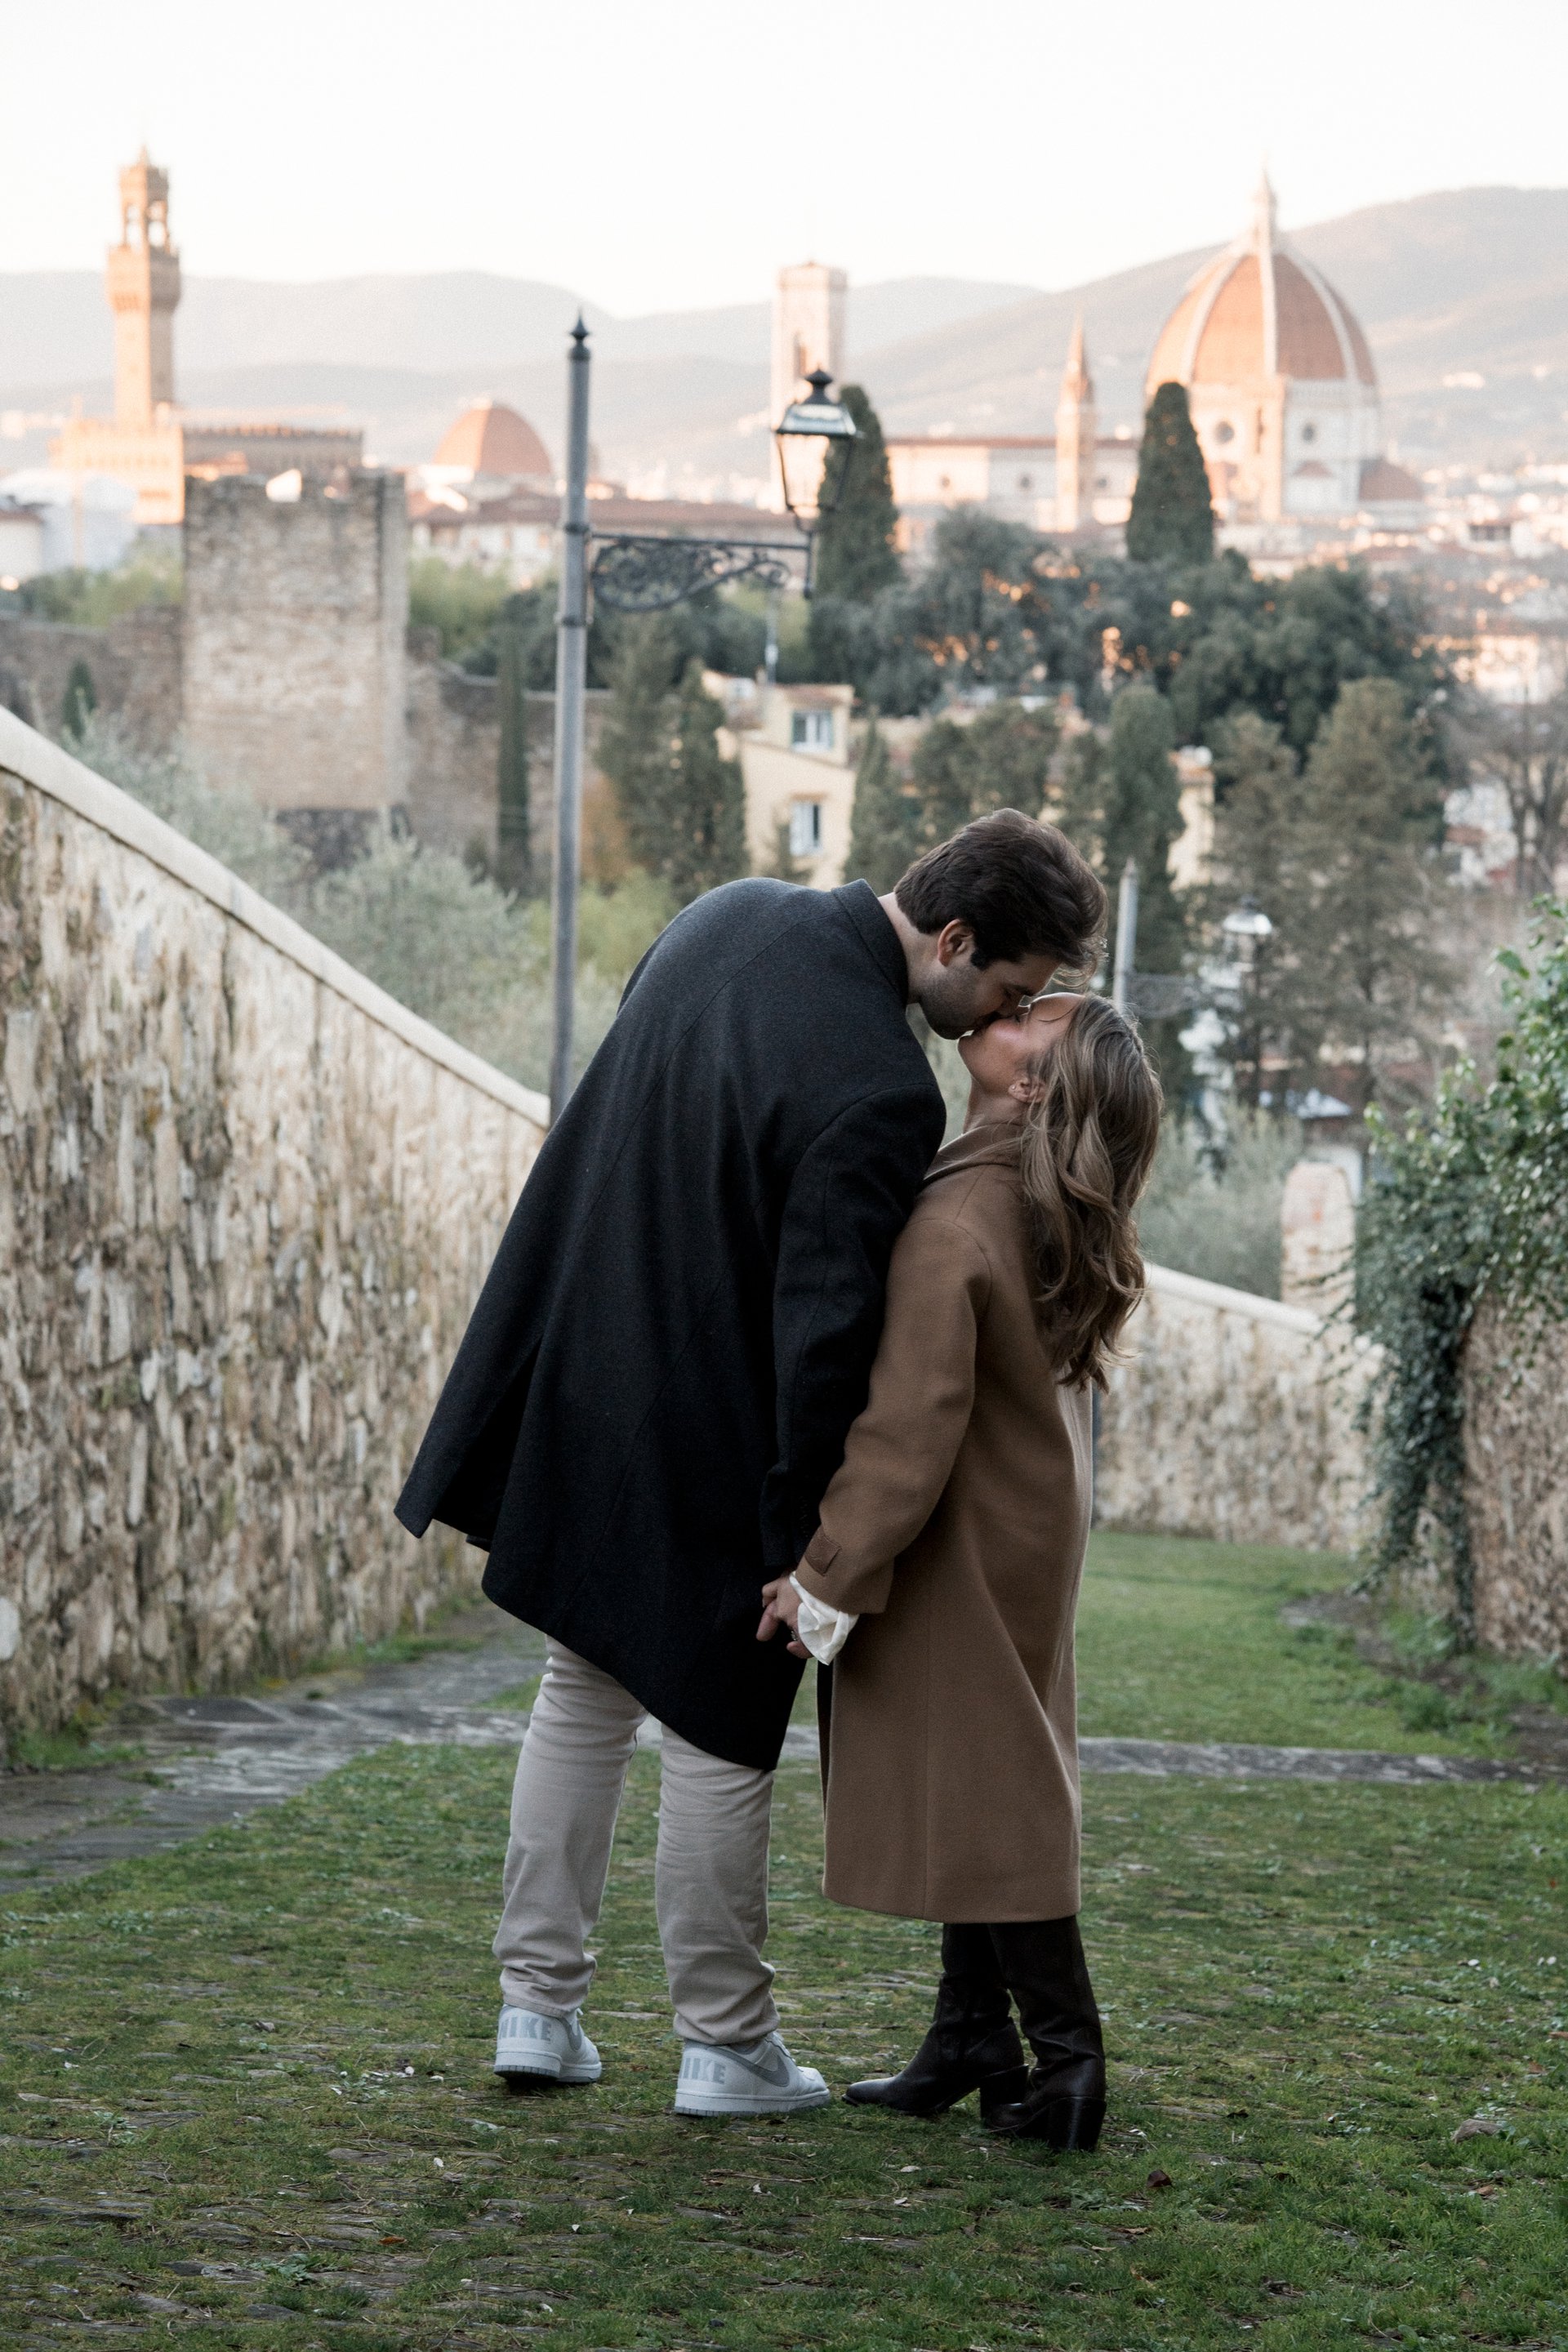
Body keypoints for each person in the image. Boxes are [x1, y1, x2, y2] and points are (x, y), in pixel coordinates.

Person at [394, 812, 1107, 2118]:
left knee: (580, 1694)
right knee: (718, 1730)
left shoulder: (720, 914)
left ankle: (536, 2008)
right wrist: (811, 1550)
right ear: (954, 940)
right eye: (1009, 990)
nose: (996, 1022)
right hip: (721, 1436)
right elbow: (825, 1336)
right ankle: (725, 2045)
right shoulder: (882, 1086)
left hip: (582, 1376)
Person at [759, 988, 1160, 2147]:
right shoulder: (1027, 1204)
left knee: (1000, 1787)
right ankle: (972, 2035)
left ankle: (1070, 2064)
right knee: (992, 1771)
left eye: (1040, 1015)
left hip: (966, 1529)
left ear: (1031, 1085)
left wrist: (823, 1577)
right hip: (1023, 1521)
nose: (1014, 1004)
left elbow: (908, 1428)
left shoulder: (959, 1216)